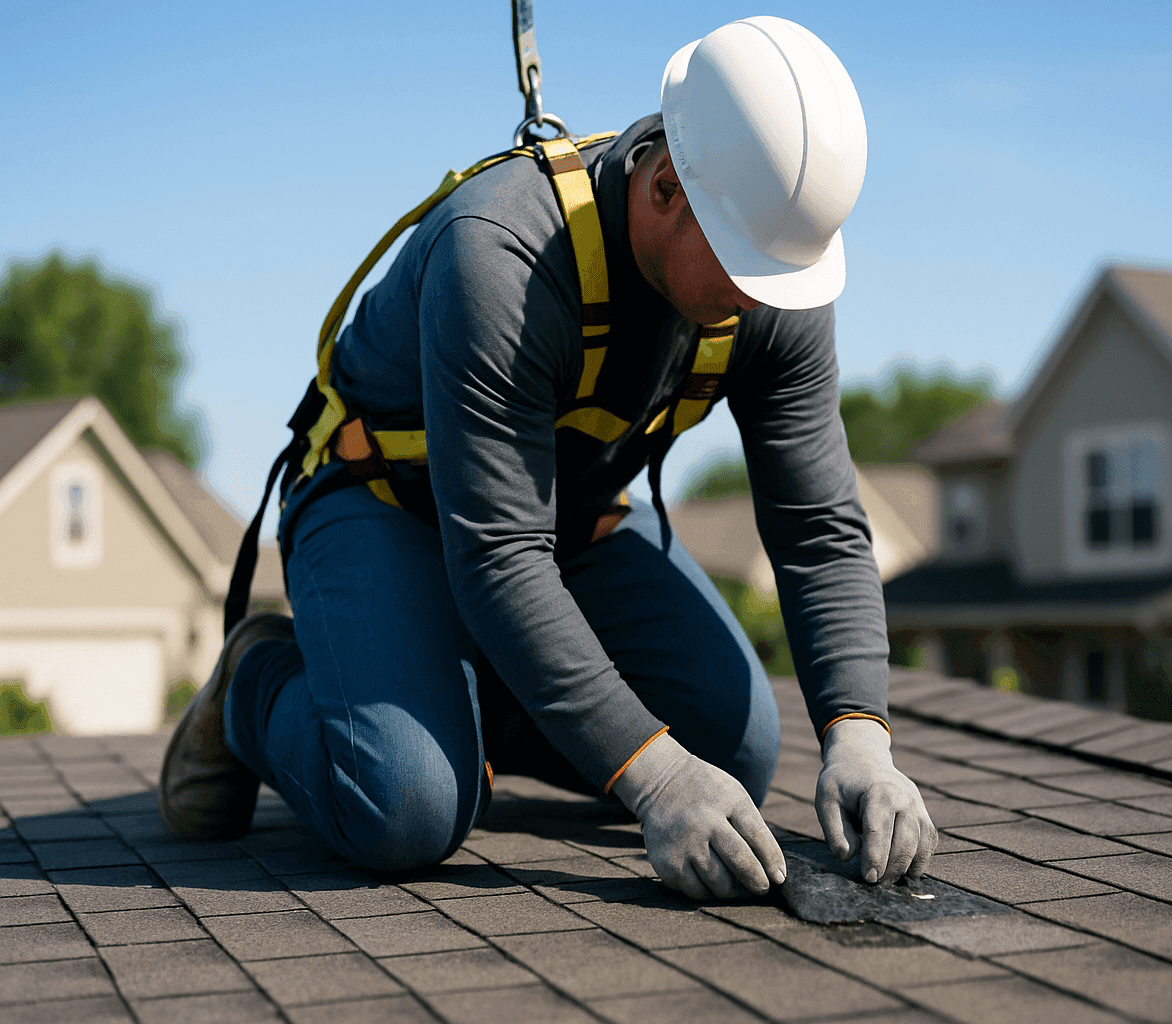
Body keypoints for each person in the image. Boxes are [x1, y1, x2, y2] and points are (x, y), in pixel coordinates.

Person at [160, 16, 936, 900]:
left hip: (557, 521)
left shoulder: (776, 268)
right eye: (745, 268)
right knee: (407, 805)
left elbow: (817, 528)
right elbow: (497, 555)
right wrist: (652, 779)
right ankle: (258, 685)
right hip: (381, 501)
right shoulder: (503, 253)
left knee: (732, 747)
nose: (762, 298)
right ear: (668, 187)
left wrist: (861, 739)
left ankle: (433, 694)